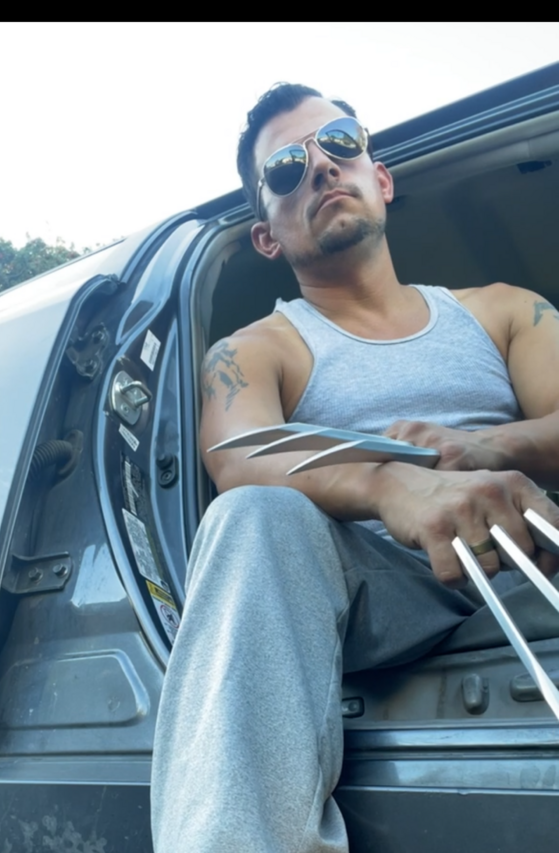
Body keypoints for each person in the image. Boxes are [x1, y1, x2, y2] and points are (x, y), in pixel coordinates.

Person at [150, 83, 559, 853]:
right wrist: (389, 485)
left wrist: (484, 448)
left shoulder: (504, 309)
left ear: (381, 176)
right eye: (285, 169)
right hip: (378, 592)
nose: (320, 167)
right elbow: (241, 453)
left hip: (527, 545)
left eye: (340, 141)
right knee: (253, 513)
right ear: (266, 236)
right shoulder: (255, 349)